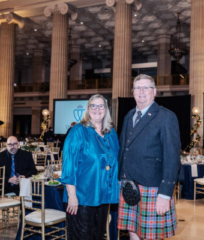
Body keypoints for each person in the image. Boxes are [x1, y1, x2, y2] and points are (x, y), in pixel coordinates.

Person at [117, 74, 181, 240]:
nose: (141, 91)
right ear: (133, 92)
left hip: (152, 187)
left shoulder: (166, 117)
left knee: (151, 236)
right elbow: (124, 149)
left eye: (146, 87)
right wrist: (119, 177)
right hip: (128, 184)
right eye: (138, 88)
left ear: (155, 91)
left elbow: (172, 158)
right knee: (132, 231)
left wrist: (165, 194)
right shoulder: (129, 115)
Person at [62, 94, 119, 240]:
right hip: (82, 198)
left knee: (97, 236)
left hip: (103, 196)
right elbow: (69, 167)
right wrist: (72, 196)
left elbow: (116, 161)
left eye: (101, 106)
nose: (97, 109)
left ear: (106, 109)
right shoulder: (77, 131)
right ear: (88, 109)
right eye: (93, 105)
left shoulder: (111, 133)